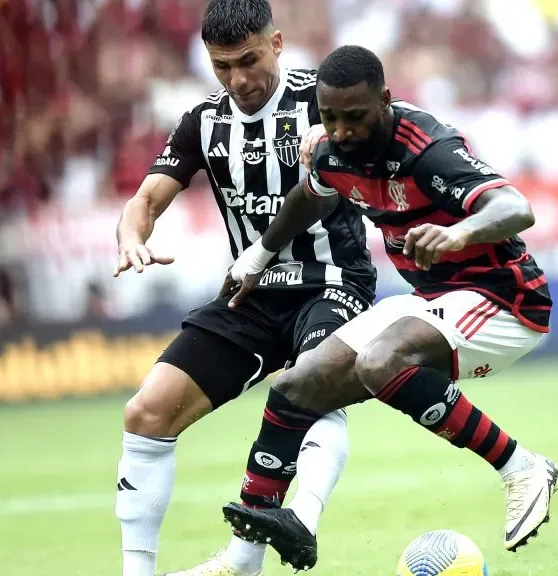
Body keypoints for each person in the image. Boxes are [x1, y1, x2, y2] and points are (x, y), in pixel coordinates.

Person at [217, 45, 558, 572]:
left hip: (503, 299)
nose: (341, 130)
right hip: (432, 299)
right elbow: (311, 197)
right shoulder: (331, 150)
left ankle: (522, 467)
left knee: (380, 362)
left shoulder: (428, 148)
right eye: (329, 116)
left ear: (384, 99)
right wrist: (258, 256)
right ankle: (250, 554)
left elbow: (517, 207)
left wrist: (457, 233)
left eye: (354, 117)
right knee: (295, 387)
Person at [111, 3, 377, 576]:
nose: (238, 80)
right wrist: (132, 237)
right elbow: (146, 200)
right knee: (146, 412)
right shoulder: (203, 122)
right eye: (222, 66)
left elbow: (392, 145)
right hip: (249, 295)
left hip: (331, 283)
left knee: (310, 385)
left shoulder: (322, 101)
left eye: (249, 60)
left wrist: (339, 148)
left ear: (277, 43)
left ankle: (296, 522)